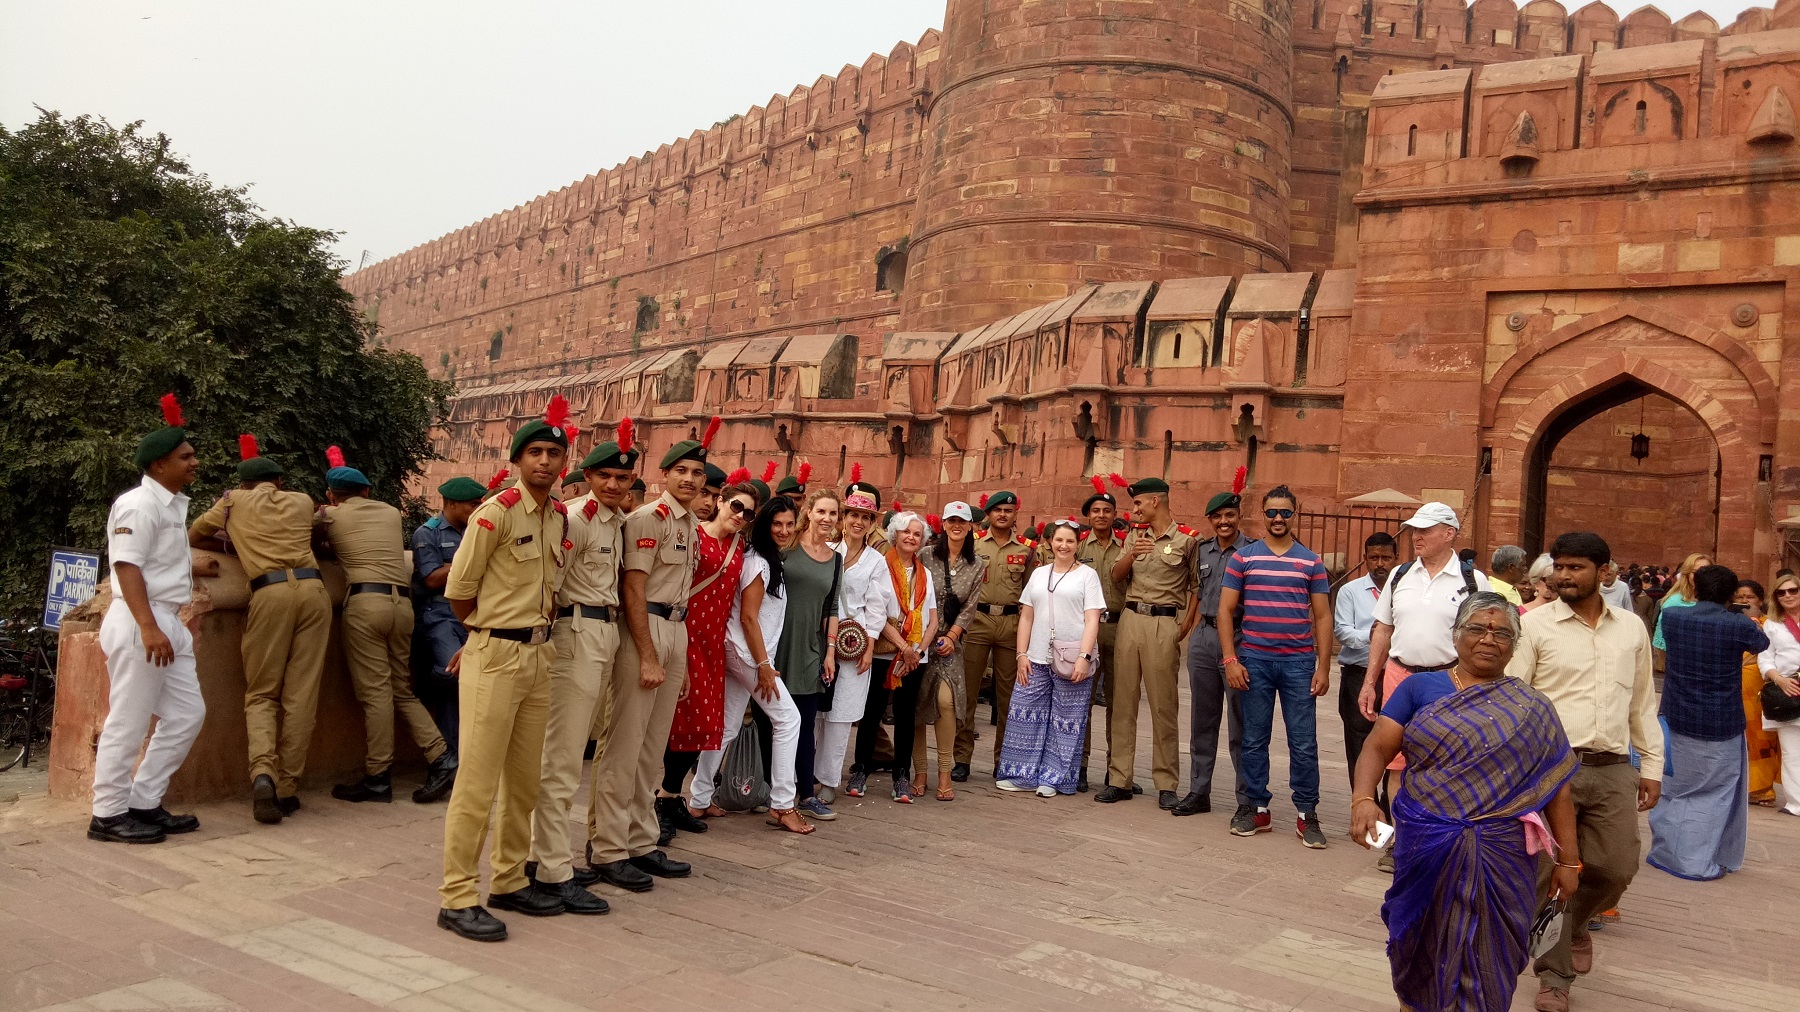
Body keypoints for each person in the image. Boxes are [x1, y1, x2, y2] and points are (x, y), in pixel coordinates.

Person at [1350, 592, 1582, 1012]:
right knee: (1421, 946)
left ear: (1515, 644)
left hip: (1502, 852)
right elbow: (1377, 747)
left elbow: (1557, 789)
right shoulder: (1420, 687)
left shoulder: (1533, 707)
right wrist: (1364, 799)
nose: (1488, 639)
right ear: (1456, 636)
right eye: (1477, 628)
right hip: (1428, 843)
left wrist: (1569, 863)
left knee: (1493, 956)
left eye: (1502, 633)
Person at [434, 398, 572, 941]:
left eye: (553, 453)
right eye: (535, 452)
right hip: (495, 653)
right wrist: (485, 635)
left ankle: (510, 879)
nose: (544, 461)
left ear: (564, 462)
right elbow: (458, 591)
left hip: (540, 652)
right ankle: (456, 894)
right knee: (476, 780)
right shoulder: (495, 512)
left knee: (524, 780)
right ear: (517, 460)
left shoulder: (558, 516)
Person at [1507, 532, 1662, 1012]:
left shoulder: (1631, 628)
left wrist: (1652, 764)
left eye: (1576, 568)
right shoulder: (1535, 627)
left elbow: (1641, 701)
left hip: (1614, 767)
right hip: (1552, 769)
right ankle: (1555, 976)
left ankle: (1571, 927)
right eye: (1560, 567)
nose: (1564, 576)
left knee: (1618, 867)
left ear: (1603, 570)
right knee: (1550, 873)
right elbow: (1517, 697)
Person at [587, 426, 709, 892]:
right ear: (664, 474)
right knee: (623, 746)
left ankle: (640, 840)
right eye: (681, 470)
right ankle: (608, 848)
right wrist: (649, 656)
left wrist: (676, 659)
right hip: (647, 630)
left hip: (674, 628)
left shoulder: (689, 524)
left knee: (652, 748)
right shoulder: (649, 518)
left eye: (697, 472)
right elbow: (633, 588)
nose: (691, 479)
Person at [521, 427, 636, 914]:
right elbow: (551, 587)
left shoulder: (612, 520)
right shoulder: (577, 519)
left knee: (579, 752)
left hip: (605, 633)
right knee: (563, 758)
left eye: (622, 477)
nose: (612, 485)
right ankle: (550, 867)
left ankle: (543, 856)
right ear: (586, 476)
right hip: (576, 634)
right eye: (604, 476)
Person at [188, 434, 330, 825]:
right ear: (280, 481)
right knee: (302, 694)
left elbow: (195, 536)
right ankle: (287, 787)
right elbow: (320, 534)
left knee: (263, 693)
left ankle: (263, 774)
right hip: (315, 591)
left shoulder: (232, 501)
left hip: (269, 593)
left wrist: (233, 539)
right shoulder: (302, 501)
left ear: (244, 483)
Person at [88, 395, 211, 845]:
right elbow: (127, 566)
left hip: (166, 621)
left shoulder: (170, 506)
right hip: (142, 621)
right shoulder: (139, 504)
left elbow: (157, 562)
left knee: (186, 714)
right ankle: (107, 814)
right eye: (186, 456)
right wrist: (147, 626)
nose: (194, 462)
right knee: (130, 719)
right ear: (160, 465)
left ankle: (143, 801)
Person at [317, 452, 454, 806]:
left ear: (333, 496)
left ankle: (378, 777)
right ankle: (441, 756)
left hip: (366, 605)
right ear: (367, 491)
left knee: (375, 695)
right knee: (401, 690)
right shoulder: (392, 513)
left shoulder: (329, 515)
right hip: (402, 606)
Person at [1218, 485, 1332, 847]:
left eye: (1284, 512)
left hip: (1298, 662)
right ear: (1262, 515)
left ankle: (1306, 811)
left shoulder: (1311, 561)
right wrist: (1231, 659)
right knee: (1253, 739)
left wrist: (1323, 666)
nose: (1278, 519)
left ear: (1293, 514)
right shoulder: (1244, 558)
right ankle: (1255, 806)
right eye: (1271, 513)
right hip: (1255, 659)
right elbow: (1225, 610)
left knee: (1303, 742)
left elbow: (1323, 616)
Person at [692, 495, 811, 833]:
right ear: (764, 525)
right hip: (747, 654)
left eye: (789, 524)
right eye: (777, 524)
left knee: (728, 727)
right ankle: (783, 804)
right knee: (788, 719)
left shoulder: (766, 559)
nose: (784, 530)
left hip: (741, 652)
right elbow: (748, 617)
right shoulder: (759, 562)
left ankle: (699, 799)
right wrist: (763, 665)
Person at [1648, 564, 1768, 882]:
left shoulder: (1673, 616)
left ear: (1695, 588)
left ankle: (1664, 851)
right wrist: (1744, 615)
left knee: (1674, 788)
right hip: (1721, 721)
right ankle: (1694, 861)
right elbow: (1762, 644)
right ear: (1731, 594)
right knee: (1714, 793)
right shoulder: (1737, 625)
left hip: (1676, 717)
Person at [658, 478, 750, 842]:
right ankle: (662, 798)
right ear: (721, 501)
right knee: (679, 723)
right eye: (736, 506)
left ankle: (672, 797)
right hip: (685, 637)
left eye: (748, 513)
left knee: (701, 725)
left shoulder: (739, 546)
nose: (739, 516)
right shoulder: (694, 536)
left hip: (713, 644)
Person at [1099, 477, 1198, 808]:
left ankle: (1166, 782)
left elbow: (1196, 586)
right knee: (1123, 703)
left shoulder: (1186, 541)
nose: (1134, 509)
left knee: (1163, 705)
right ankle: (1119, 778)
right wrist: (1131, 555)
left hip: (1163, 623)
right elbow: (1115, 575)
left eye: (1139, 503)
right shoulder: (1133, 537)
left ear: (1156, 501)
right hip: (1131, 618)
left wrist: (1185, 624)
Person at [998, 519, 1104, 796]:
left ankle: (1054, 778)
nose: (1064, 546)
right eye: (1059, 540)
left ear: (1077, 544)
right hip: (1036, 656)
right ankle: (1022, 774)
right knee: (1025, 714)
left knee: (1066, 720)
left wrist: (1084, 656)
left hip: (1072, 657)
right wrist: (1021, 653)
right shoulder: (1038, 574)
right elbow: (1027, 616)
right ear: (1050, 542)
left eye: (1070, 541)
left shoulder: (1087, 575)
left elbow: (1092, 620)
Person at [815, 473, 902, 804]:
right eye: (852, 514)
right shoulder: (826, 550)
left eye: (865, 517)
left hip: (853, 646)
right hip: (820, 640)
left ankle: (828, 779)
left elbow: (879, 609)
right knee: (815, 710)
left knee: (841, 714)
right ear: (843, 517)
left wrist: (867, 645)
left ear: (871, 523)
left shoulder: (877, 561)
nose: (857, 522)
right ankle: (805, 771)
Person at [1174, 478, 1250, 817]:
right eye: (1218, 517)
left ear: (1238, 516)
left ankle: (1247, 798)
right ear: (1210, 521)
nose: (1224, 522)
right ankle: (1199, 790)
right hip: (1204, 638)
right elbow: (1194, 590)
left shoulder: (1252, 552)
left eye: (1230, 515)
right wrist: (1186, 627)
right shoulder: (1201, 550)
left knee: (1242, 723)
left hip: (1239, 638)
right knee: (1202, 720)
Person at [956, 490, 1034, 782]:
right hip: (977, 621)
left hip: (1011, 625)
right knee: (968, 693)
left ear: (1016, 515)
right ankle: (961, 758)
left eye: (1008, 511)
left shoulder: (1027, 549)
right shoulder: (972, 544)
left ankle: (1004, 760)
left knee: (1009, 697)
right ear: (987, 514)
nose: (1003, 514)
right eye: (997, 510)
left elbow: (1030, 593)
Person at [779, 490, 842, 820]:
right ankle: (769, 791)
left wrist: (830, 652)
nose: (827, 519)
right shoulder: (786, 547)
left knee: (804, 724)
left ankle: (806, 794)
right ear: (809, 512)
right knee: (768, 721)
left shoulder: (836, 560)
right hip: (776, 642)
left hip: (810, 647)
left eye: (833, 513)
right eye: (821, 512)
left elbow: (831, 608)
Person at [412, 477, 486, 759]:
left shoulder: (477, 531)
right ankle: (427, 683)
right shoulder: (427, 533)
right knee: (452, 674)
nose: (477, 509)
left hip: (469, 615)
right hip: (438, 614)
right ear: (451, 504)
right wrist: (466, 563)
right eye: (472, 504)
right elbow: (431, 579)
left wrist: (451, 567)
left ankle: (453, 757)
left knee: (462, 684)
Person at [1075, 477, 1128, 793]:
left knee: (1119, 703)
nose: (1101, 515)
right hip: (1087, 631)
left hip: (1121, 627)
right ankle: (1079, 766)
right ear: (1089, 516)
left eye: (1107, 510)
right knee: (1082, 701)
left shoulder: (1127, 545)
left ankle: (1117, 770)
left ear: (1113, 514)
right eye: (1095, 510)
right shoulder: (1079, 546)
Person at [1332, 532, 1397, 789]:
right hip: (1358, 675)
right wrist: (1372, 636)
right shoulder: (1351, 591)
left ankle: (1387, 808)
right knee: (1358, 744)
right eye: (1374, 558)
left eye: (1385, 558)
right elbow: (1342, 631)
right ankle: (1362, 804)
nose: (1380, 563)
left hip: (1396, 675)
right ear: (1365, 559)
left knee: (1397, 746)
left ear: (1396, 558)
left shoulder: (1404, 589)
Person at [889, 512, 946, 801]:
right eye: (906, 532)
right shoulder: (882, 566)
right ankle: (860, 768)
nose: (911, 538)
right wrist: (904, 648)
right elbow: (878, 614)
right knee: (874, 711)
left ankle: (902, 774)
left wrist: (918, 650)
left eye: (916, 534)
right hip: (887, 652)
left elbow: (933, 621)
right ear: (895, 535)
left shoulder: (925, 573)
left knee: (906, 715)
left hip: (916, 655)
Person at [1756, 571, 1800, 816]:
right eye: (1782, 592)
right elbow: (1765, 658)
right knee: (1792, 752)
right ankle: (1796, 803)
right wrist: (1780, 680)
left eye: (1793, 590)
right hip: (1788, 693)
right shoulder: (1772, 624)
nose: (1788, 595)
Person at [1734, 580, 1781, 807]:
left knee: (1761, 738)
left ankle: (1762, 788)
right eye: (1740, 596)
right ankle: (1740, 786)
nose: (1744, 600)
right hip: (1732, 690)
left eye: (1749, 596)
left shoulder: (1770, 625)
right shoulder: (1729, 623)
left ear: (1760, 600)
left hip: (1758, 691)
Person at [1652, 552, 1711, 651]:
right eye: (1695, 572)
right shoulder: (1673, 603)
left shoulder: (1717, 602)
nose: (1701, 576)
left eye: (1706, 572)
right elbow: (1661, 646)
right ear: (1687, 574)